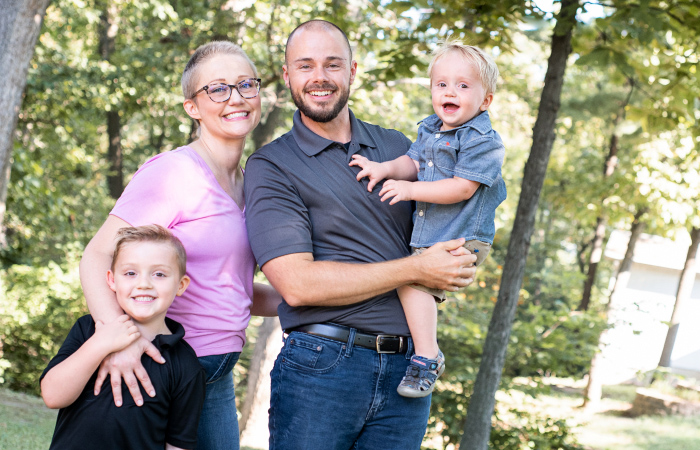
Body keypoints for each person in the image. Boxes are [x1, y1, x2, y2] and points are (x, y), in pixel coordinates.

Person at [243, 20, 478, 450]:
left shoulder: (399, 149)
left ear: (352, 72)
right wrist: (417, 268)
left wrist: (458, 258)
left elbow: (444, 227)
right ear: (287, 75)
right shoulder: (272, 165)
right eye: (306, 65)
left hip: (410, 368)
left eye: (333, 64)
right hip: (322, 368)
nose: (319, 77)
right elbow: (296, 285)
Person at [79, 41, 281, 450]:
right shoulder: (174, 173)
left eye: (246, 84)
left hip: (217, 374)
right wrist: (119, 340)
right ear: (193, 107)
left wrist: (314, 298)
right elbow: (96, 256)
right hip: (162, 365)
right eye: (218, 89)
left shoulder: (251, 183)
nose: (236, 98)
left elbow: (228, 287)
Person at [349, 41, 507, 398]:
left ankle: (427, 355)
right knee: (409, 279)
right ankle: (424, 351)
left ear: (485, 101)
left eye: (463, 86)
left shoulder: (485, 141)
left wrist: (408, 190)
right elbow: (413, 162)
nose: (450, 91)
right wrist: (383, 169)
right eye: (442, 84)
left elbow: (461, 189)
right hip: (434, 232)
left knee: (411, 280)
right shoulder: (431, 129)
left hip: (462, 235)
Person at [41, 225, 205, 450]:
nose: (144, 283)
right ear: (111, 280)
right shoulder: (89, 329)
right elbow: (52, 396)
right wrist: (101, 343)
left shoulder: (185, 363)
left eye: (159, 274)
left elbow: (178, 443)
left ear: (180, 285)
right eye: (130, 273)